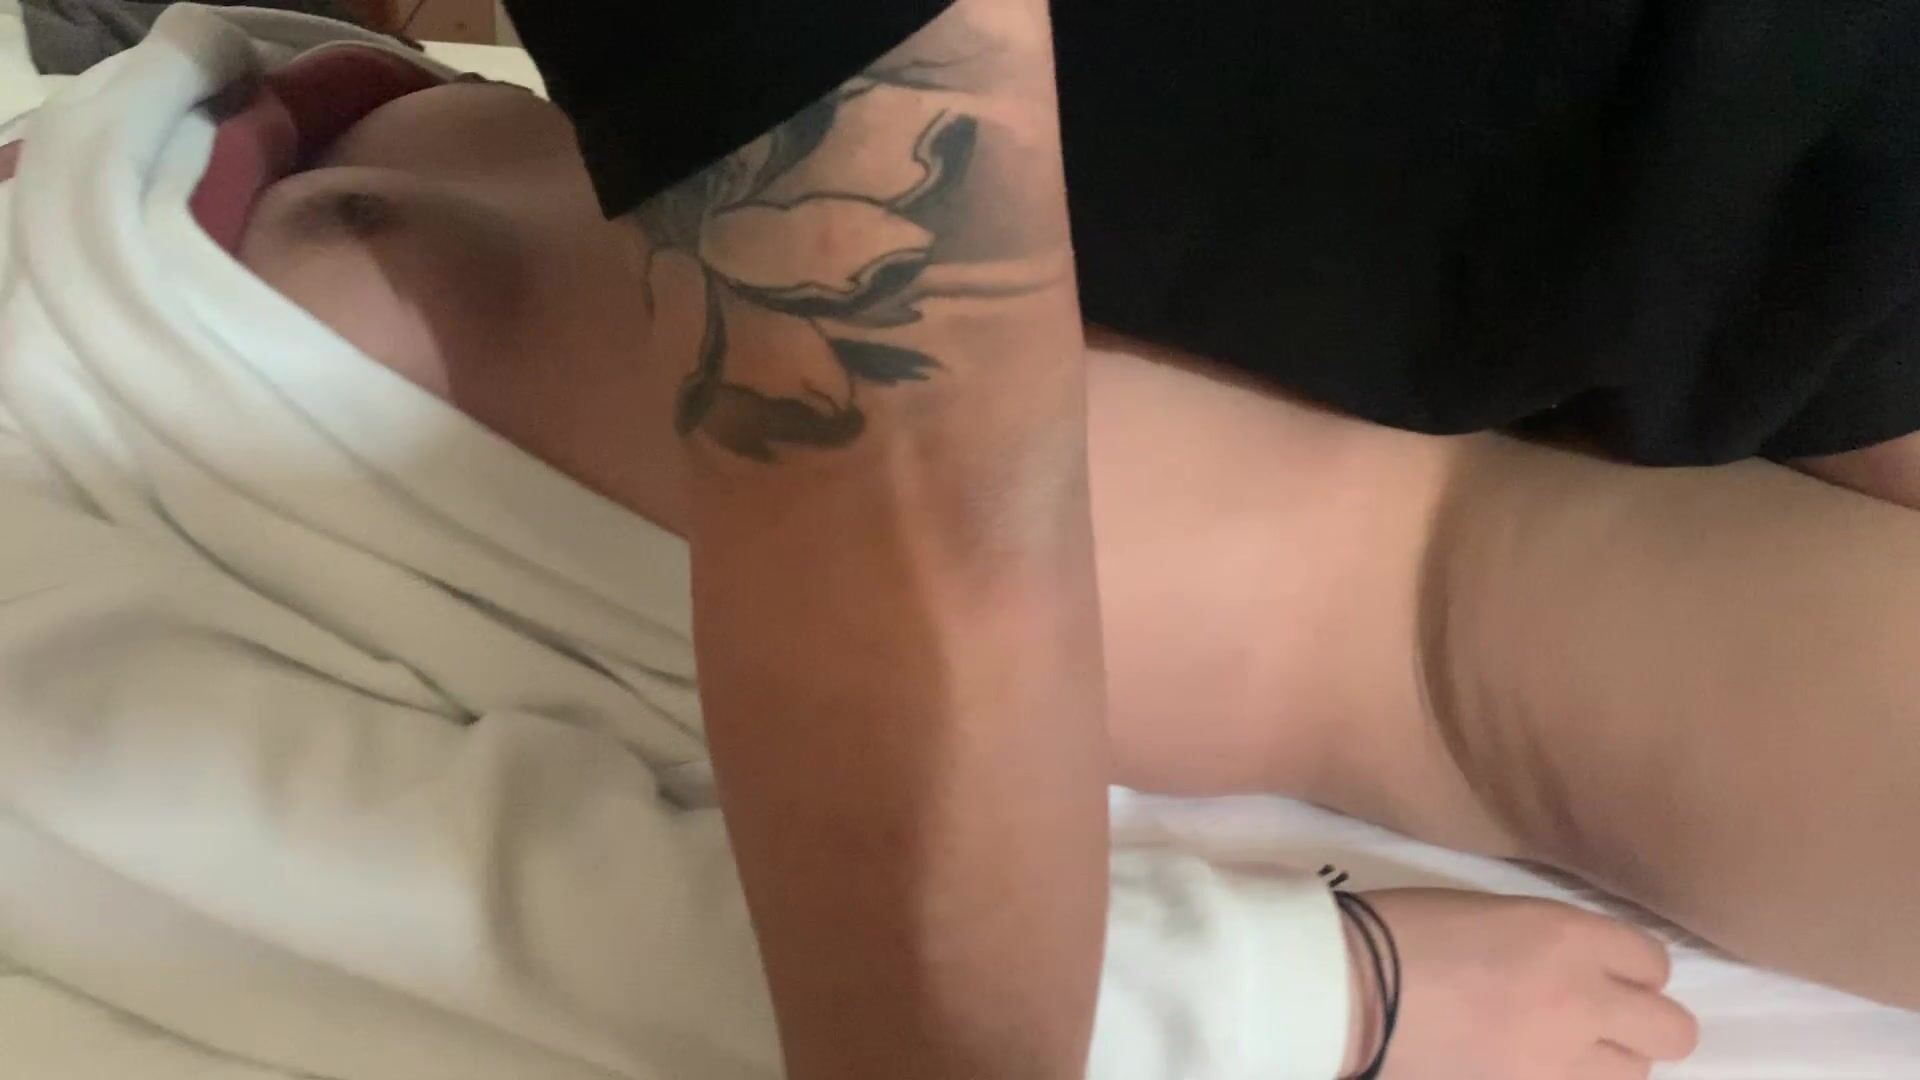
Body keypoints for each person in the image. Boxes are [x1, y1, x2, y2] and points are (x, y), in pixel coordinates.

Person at [0, 10, 1698, 1080]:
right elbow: (440, 900)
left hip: (1422, 251)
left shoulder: (147, 105)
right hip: (1433, 604)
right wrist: (1287, 1001)